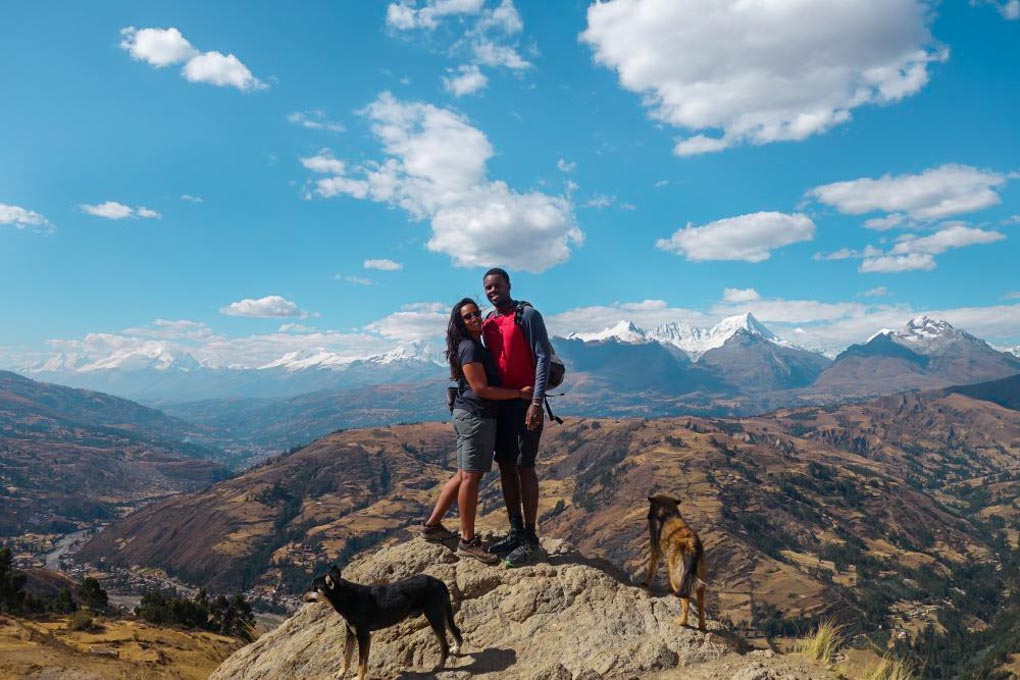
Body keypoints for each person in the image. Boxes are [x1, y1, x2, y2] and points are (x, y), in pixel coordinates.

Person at [421, 297, 533, 563]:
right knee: (471, 477)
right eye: (467, 317)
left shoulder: (471, 345)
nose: (474, 319)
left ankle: (432, 526)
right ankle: (467, 542)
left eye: (476, 314)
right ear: (460, 323)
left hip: (468, 415)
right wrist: (519, 393)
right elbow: (481, 389)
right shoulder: (470, 348)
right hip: (476, 417)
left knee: (462, 475)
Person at [481, 268, 553, 567]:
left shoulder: (528, 315)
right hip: (503, 404)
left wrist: (536, 401)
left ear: (509, 285)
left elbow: (542, 357)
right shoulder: (489, 321)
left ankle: (531, 539)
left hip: (526, 403)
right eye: (487, 287)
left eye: (497, 285)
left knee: (525, 466)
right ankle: (515, 531)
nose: (492, 291)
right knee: (506, 466)